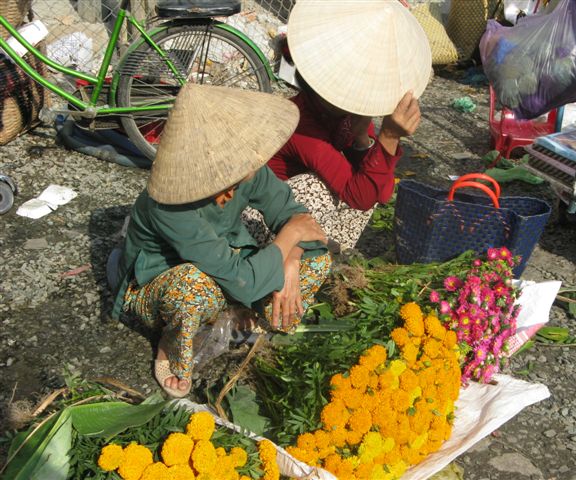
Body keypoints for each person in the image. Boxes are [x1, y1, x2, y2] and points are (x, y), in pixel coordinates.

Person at [111, 84, 331, 398]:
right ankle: (169, 344)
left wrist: (293, 256)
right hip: (159, 281)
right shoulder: (170, 206)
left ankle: (244, 318)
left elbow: (296, 217)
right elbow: (246, 277)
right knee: (192, 286)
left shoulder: (247, 171)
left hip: (225, 263)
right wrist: (290, 237)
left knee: (316, 260)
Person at [246, 0, 432, 252]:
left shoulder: (349, 114)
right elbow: (358, 196)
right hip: (261, 221)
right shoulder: (299, 124)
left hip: (301, 219)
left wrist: (362, 139)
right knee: (318, 188)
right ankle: (299, 257)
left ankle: (325, 255)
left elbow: (381, 193)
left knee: (368, 174)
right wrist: (388, 137)